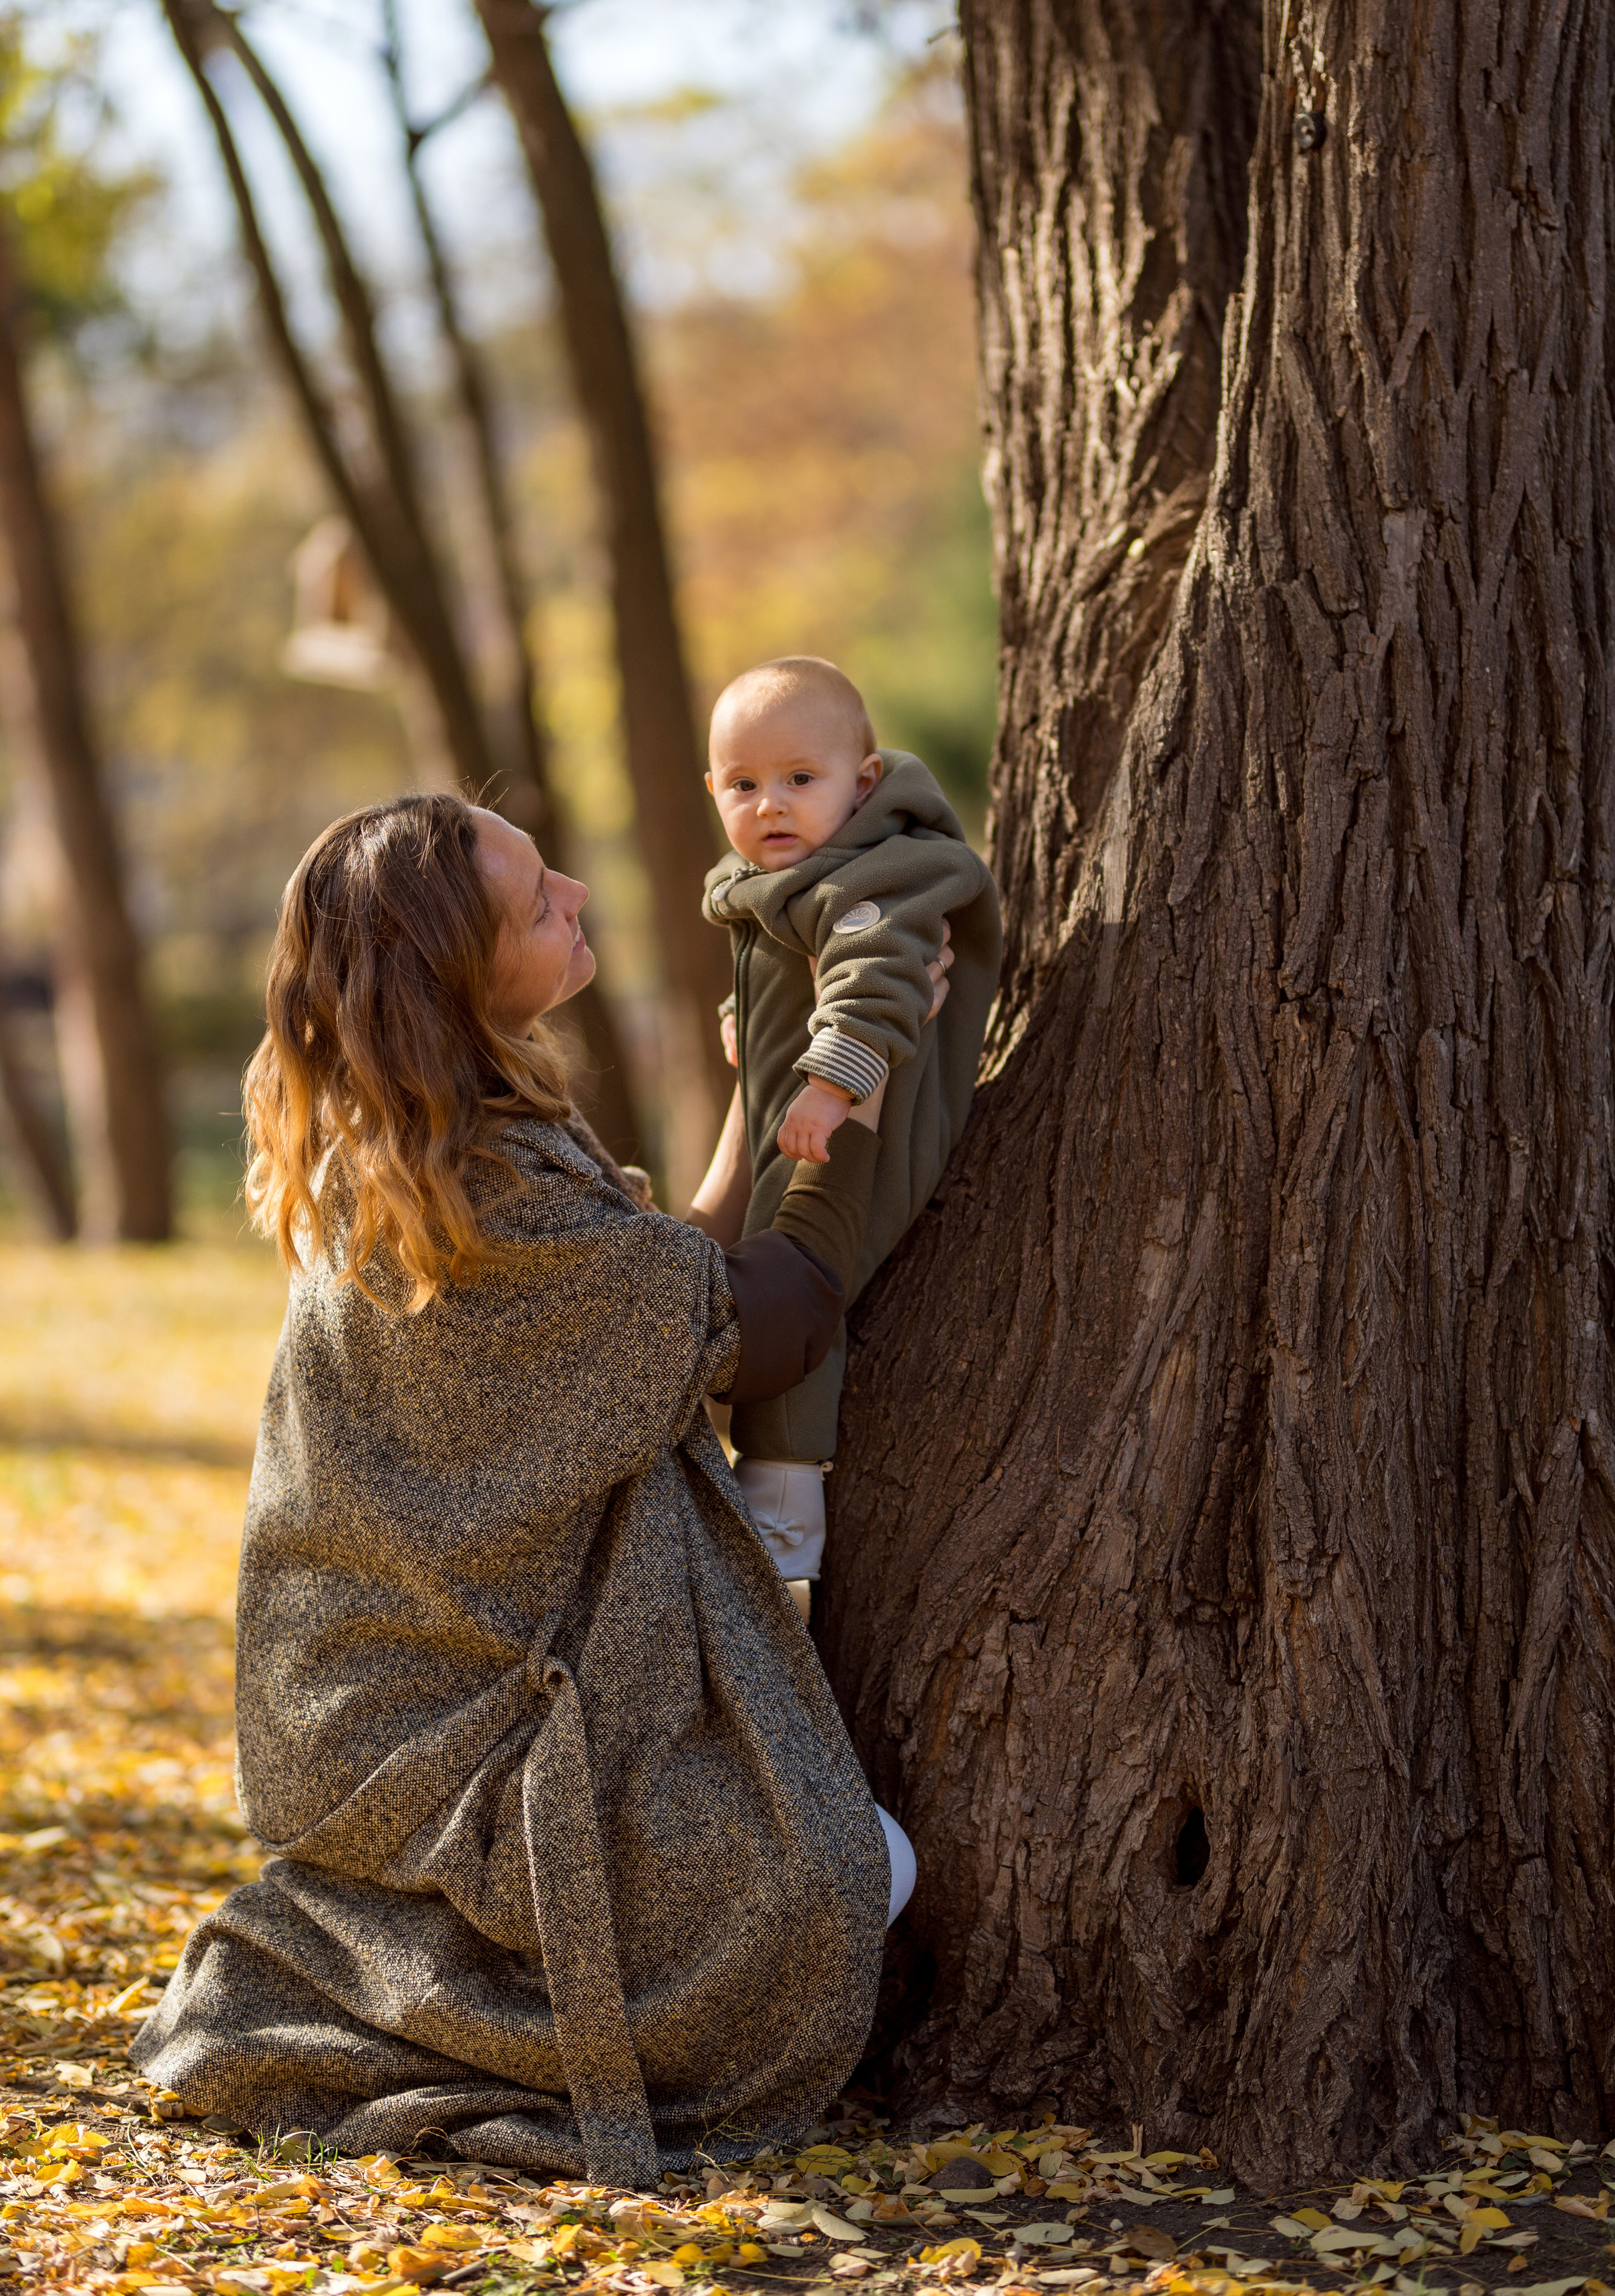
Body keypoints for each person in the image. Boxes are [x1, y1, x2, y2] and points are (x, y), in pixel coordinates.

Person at [131, 793, 915, 2184]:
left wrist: (755, 1105)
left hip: (433, 1674)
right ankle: (438, 2015)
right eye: (533, 899)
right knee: (841, 1878)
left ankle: (444, 1984)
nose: (572, 891)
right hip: (447, 1710)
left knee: (832, 1863)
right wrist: (865, 1122)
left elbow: (660, 1280)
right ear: (456, 977)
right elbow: (760, 1321)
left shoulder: (444, 1151)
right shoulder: (480, 1197)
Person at [690, 656, 1001, 1611]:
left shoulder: (880, 875)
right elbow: (794, 979)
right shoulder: (786, 878)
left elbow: (876, 978)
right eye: (743, 786)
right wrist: (756, 1032)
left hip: (870, 1130)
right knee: (735, 1270)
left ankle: (782, 1503)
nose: (770, 805)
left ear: (863, 783)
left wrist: (831, 1083)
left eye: (800, 780)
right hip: (809, 1121)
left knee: (791, 1298)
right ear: (712, 791)